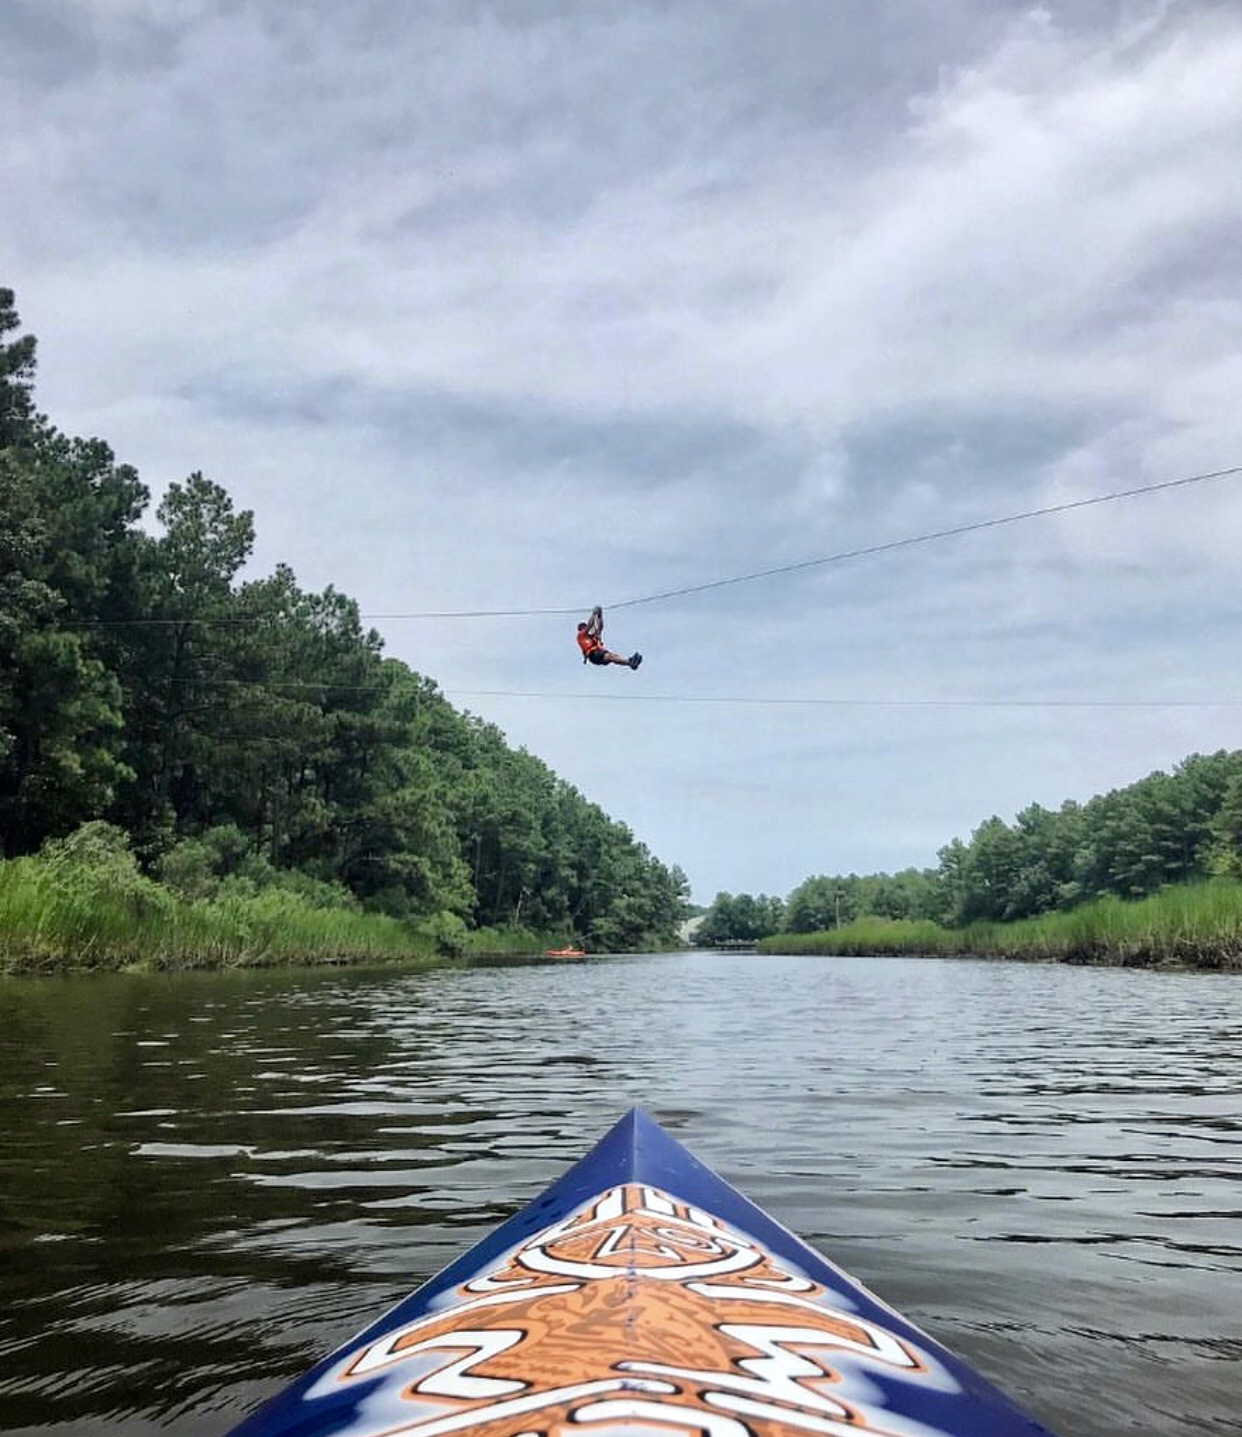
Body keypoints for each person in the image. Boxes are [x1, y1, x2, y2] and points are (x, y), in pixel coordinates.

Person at [576, 605, 642, 670]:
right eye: (584, 627)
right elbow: (590, 625)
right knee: (611, 656)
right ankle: (630, 662)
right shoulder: (581, 635)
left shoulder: (592, 636)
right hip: (593, 653)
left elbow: (599, 628)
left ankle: (630, 663)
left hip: (598, 652)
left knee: (613, 657)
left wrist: (599, 616)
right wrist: (594, 614)